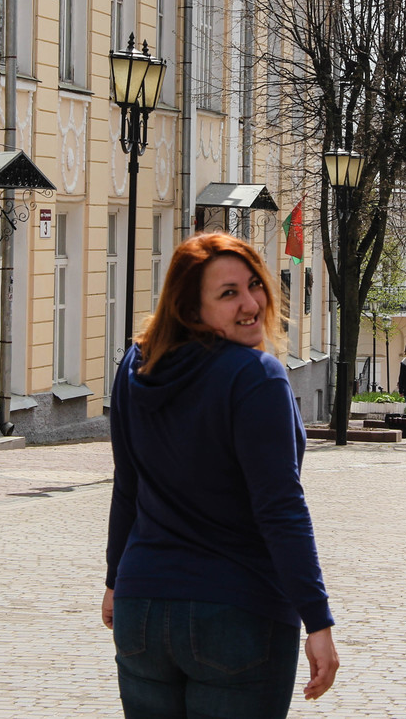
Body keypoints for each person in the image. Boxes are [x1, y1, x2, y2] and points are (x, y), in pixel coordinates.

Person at [104, 232, 339, 716]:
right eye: (228, 293)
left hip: (142, 608)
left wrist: (115, 579)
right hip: (237, 613)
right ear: (190, 310)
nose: (251, 303)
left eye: (254, 284)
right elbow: (280, 509)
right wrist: (317, 621)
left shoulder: (136, 366)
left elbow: (127, 485)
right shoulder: (255, 376)